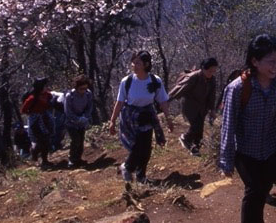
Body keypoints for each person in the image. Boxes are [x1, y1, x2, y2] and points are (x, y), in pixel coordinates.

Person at [219, 34, 276, 223]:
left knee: (262, 189)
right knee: (254, 190)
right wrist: (226, 159)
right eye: (271, 61)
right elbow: (228, 125)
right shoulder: (237, 88)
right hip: (246, 150)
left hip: (270, 148)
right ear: (255, 61)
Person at [108, 51, 172, 183]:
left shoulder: (155, 80)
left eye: (138, 63)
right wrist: (112, 121)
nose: (134, 65)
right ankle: (127, 167)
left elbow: (162, 101)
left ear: (146, 64)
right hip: (130, 117)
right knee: (137, 145)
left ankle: (140, 175)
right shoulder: (127, 81)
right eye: (133, 62)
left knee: (146, 147)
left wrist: (168, 118)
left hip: (147, 115)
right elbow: (120, 101)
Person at [168, 57, 219, 156]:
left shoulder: (212, 80)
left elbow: (211, 96)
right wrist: (166, 100)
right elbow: (179, 88)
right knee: (195, 125)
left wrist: (212, 110)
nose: (211, 73)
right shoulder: (193, 77)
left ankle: (195, 148)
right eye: (209, 71)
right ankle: (185, 138)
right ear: (203, 68)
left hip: (202, 107)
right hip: (190, 106)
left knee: (200, 128)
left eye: (213, 71)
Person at [20, 77, 55, 169]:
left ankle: (43, 158)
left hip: (46, 118)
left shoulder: (48, 95)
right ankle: (39, 157)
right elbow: (23, 110)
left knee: (47, 140)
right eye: (44, 86)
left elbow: (51, 102)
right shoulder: (32, 98)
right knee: (41, 140)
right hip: (36, 121)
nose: (46, 88)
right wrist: (33, 114)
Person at [64, 75, 93, 168]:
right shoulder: (69, 96)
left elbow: (89, 107)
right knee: (75, 140)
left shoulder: (88, 94)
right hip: (71, 122)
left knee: (81, 141)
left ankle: (78, 159)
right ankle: (72, 159)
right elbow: (68, 112)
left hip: (82, 121)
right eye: (81, 88)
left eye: (85, 88)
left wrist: (85, 117)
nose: (83, 90)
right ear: (76, 87)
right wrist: (77, 119)